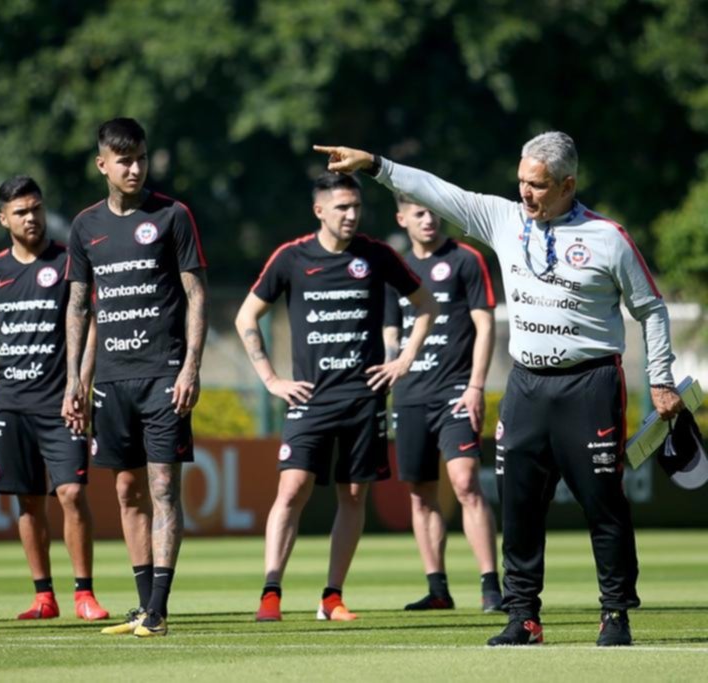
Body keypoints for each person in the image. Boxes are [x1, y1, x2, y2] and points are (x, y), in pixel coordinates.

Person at [316, 133, 683, 647]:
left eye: (537, 186)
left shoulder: (609, 237)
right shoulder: (504, 218)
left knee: (603, 504)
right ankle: (523, 617)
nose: (525, 194)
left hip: (590, 384)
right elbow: (438, 191)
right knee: (518, 506)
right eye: (521, 183)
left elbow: (652, 310)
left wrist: (661, 378)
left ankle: (615, 613)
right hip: (526, 385)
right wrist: (376, 165)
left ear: (567, 184)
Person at [235, 172, 437, 623]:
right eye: (341, 207)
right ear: (319, 210)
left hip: (363, 399)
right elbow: (247, 317)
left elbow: (426, 306)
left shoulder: (377, 255)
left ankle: (331, 597)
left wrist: (402, 362)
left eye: (356, 207)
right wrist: (271, 380)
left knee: (353, 494)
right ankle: (271, 593)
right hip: (310, 398)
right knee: (292, 489)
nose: (350, 215)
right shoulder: (291, 257)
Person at [63, 118, 208, 637]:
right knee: (127, 490)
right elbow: (80, 308)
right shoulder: (84, 227)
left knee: (164, 486)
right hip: (111, 380)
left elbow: (196, 296)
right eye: (124, 160)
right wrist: (75, 379)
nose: (135, 168)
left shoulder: (173, 215)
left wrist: (191, 365)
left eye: (141, 158)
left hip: (163, 375)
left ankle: (160, 609)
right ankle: (144, 605)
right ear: (102, 164)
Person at [0, 175, 109, 622]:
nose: (31, 218)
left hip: (60, 403)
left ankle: (83, 593)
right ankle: (43, 595)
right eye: (21, 212)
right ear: (3, 218)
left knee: (70, 492)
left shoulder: (70, 262)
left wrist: (80, 384)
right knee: (27, 500)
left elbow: (92, 325)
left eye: (36, 208)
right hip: (12, 404)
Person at [382, 194, 503, 613]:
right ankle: (438, 589)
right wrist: (391, 363)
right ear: (402, 219)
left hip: (456, 390)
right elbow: (390, 328)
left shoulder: (466, 259)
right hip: (411, 395)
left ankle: (491, 586)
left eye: (433, 211)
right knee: (420, 494)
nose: (429, 219)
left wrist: (476, 386)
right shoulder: (394, 267)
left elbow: (484, 326)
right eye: (419, 213)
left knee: (467, 483)